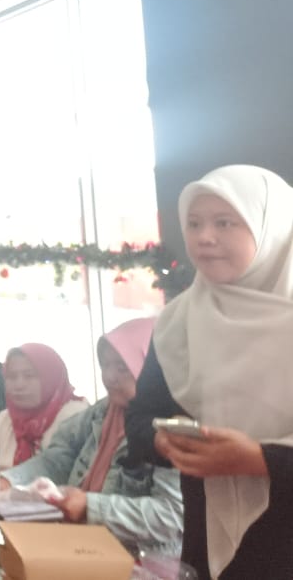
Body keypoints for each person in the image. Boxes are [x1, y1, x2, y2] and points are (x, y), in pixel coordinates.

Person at [126, 165, 293, 578]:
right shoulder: (178, 321)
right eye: (194, 223)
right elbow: (140, 418)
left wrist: (259, 460)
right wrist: (167, 442)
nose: (204, 237)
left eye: (225, 222)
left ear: (271, 229)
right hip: (208, 541)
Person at [1, 318, 182, 554]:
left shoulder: (171, 427)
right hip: (83, 548)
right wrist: (9, 481)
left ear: (150, 369)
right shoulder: (104, 411)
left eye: (122, 367)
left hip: (141, 562)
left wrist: (90, 506)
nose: (109, 377)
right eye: (105, 365)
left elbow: (171, 517)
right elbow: (59, 458)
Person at [0, 343, 88, 471]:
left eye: (29, 376)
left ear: (51, 377)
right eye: (12, 377)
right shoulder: (1, 422)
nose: (19, 385)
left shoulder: (77, 418)